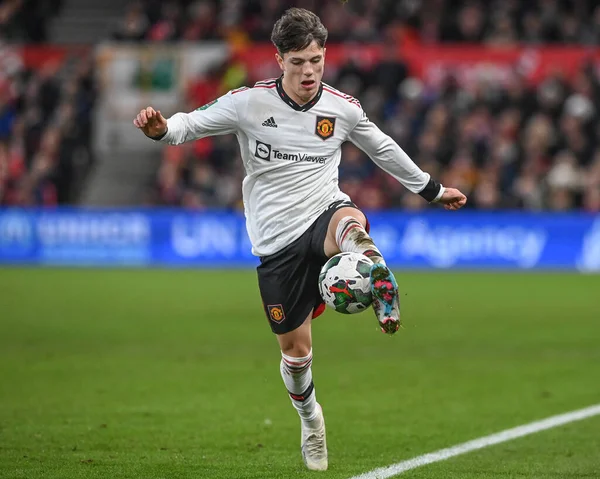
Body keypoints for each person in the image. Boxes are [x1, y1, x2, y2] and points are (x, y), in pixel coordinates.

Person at [133, 7, 467, 471]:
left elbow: (383, 148)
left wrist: (431, 189)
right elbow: (189, 124)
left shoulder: (342, 108)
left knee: (348, 220)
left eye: (316, 60)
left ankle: (373, 267)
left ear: (324, 55)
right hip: (275, 242)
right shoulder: (248, 103)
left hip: (322, 212)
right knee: (296, 353)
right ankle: (311, 421)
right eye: (298, 62)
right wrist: (161, 129)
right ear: (279, 60)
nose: (309, 71)